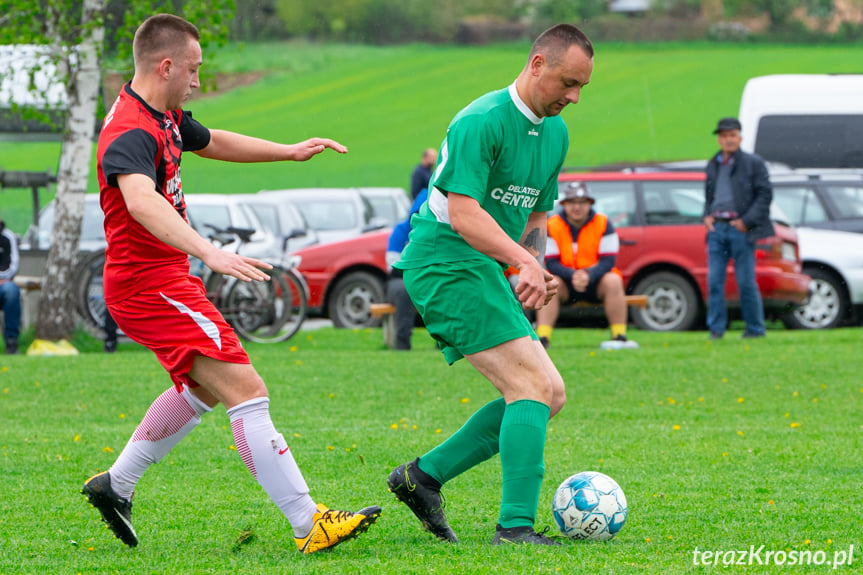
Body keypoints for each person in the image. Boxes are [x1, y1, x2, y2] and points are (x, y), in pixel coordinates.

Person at [81, 14, 380, 553]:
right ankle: (309, 522)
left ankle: (115, 485)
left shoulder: (164, 115)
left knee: (199, 389)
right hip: (149, 285)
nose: (198, 80)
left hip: (162, 281)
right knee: (247, 391)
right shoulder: (129, 127)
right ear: (166, 65)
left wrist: (288, 151)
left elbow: (214, 140)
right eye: (193, 69)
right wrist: (209, 252)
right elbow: (141, 201)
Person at [387, 24, 594, 546]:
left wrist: (536, 266)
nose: (572, 97)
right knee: (529, 387)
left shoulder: (557, 133)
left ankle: (423, 477)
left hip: (481, 265)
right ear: (537, 64)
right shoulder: (480, 120)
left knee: (552, 393)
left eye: (582, 88)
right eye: (568, 82)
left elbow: (536, 217)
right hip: (444, 261)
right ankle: (516, 528)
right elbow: (463, 215)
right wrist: (519, 261)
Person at [535, 182, 638, 350]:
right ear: (564, 204)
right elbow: (551, 262)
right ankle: (543, 338)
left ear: (590, 203)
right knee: (551, 282)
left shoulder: (603, 223)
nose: (577, 207)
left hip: (596, 281)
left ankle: (619, 336)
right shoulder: (551, 224)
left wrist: (588, 275)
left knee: (613, 280)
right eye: (572, 202)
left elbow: (608, 260)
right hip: (566, 282)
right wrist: (573, 275)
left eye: (582, 202)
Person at [703, 117, 774, 339]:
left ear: (740, 138)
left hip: (740, 230)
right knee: (714, 281)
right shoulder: (713, 164)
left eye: (732, 135)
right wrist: (706, 216)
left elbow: (765, 195)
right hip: (717, 230)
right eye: (724, 136)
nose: (728, 140)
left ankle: (754, 329)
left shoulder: (753, 163)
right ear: (719, 139)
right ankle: (716, 329)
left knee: (745, 282)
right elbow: (709, 195)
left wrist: (746, 222)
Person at [385, 188, 428, 350]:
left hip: (425, 278)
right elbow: (392, 263)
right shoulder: (401, 230)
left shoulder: (434, 232)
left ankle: (445, 343)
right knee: (404, 290)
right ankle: (402, 343)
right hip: (398, 280)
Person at [0, 210, 21, 355]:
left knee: (11, 291)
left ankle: (11, 341)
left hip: (3, 283)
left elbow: (13, 266)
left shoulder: (8, 237)